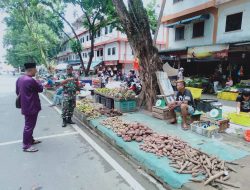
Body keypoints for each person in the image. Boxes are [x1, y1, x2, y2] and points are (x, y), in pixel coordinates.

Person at [16, 62, 43, 152]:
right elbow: (40, 89)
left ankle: (30, 140)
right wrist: (38, 80)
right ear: (31, 70)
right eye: (35, 69)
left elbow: (17, 91)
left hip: (26, 106)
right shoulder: (30, 80)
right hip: (31, 107)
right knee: (29, 126)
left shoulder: (20, 79)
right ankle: (26, 145)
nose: (36, 71)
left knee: (30, 125)